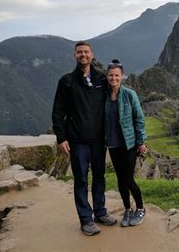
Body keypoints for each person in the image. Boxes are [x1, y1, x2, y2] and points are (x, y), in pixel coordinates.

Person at [52, 41, 117, 236]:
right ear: (74, 55)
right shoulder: (67, 81)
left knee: (99, 177)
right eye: (79, 52)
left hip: (98, 140)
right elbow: (58, 111)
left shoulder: (101, 79)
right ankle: (85, 219)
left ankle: (100, 212)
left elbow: (113, 103)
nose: (83, 55)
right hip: (77, 141)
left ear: (92, 54)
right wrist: (61, 137)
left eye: (86, 52)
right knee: (80, 180)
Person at [105, 59, 148, 227]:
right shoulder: (105, 97)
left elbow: (139, 119)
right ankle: (127, 209)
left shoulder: (130, 95)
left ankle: (141, 208)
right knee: (120, 180)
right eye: (110, 75)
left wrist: (140, 142)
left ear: (122, 76)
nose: (113, 78)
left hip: (129, 145)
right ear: (107, 76)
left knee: (129, 179)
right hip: (113, 145)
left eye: (116, 75)